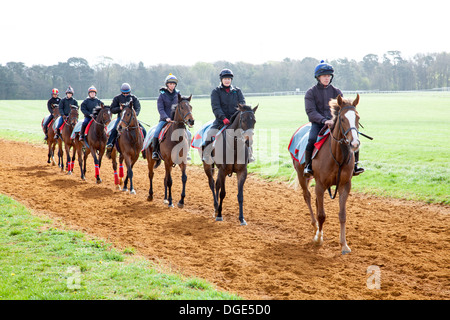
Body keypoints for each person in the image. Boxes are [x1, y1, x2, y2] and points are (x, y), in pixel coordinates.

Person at [303, 60, 364, 177]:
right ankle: (308, 166)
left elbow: (343, 109)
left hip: (336, 123)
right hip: (319, 123)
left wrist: (336, 120)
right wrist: (324, 120)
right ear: (318, 77)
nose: (327, 78)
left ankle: (355, 165)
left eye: (329, 76)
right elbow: (311, 112)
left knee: (354, 137)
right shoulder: (311, 93)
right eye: (324, 76)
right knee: (311, 139)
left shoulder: (337, 92)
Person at [203, 68, 254, 163]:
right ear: (221, 80)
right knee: (210, 134)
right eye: (225, 78)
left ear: (231, 80)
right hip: (220, 120)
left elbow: (242, 104)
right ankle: (206, 154)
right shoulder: (216, 91)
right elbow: (216, 107)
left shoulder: (237, 91)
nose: (227, 80)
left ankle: (250, 154)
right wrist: (223, 118)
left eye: (229, 79)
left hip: (236, 119)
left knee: (248, 134)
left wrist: (236, 116)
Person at [106, 83, 146, 157]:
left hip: (132, 118)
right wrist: (119, 108)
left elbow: (138, 108)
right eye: (123, 93)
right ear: (121, 92)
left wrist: (134, 115)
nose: (125, 94)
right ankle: (110, 144)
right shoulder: (117, 98)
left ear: (129, 92)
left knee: (143, 130)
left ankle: (144, 149)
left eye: (127, 93)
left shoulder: (134, 98)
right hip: (121, 118)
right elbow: (112, 109)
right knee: (115, 128)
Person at [151, 74, 179, 160]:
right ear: (167, 84)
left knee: (187, 133)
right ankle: (155, 152)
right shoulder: (162, 95)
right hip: (164, 119)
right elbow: (160, 109)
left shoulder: (178, 94)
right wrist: (166, 117)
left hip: (175, 120)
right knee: (156, 132)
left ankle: (186, 152)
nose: (172, 85)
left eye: (174, 84)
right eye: (170, 84)